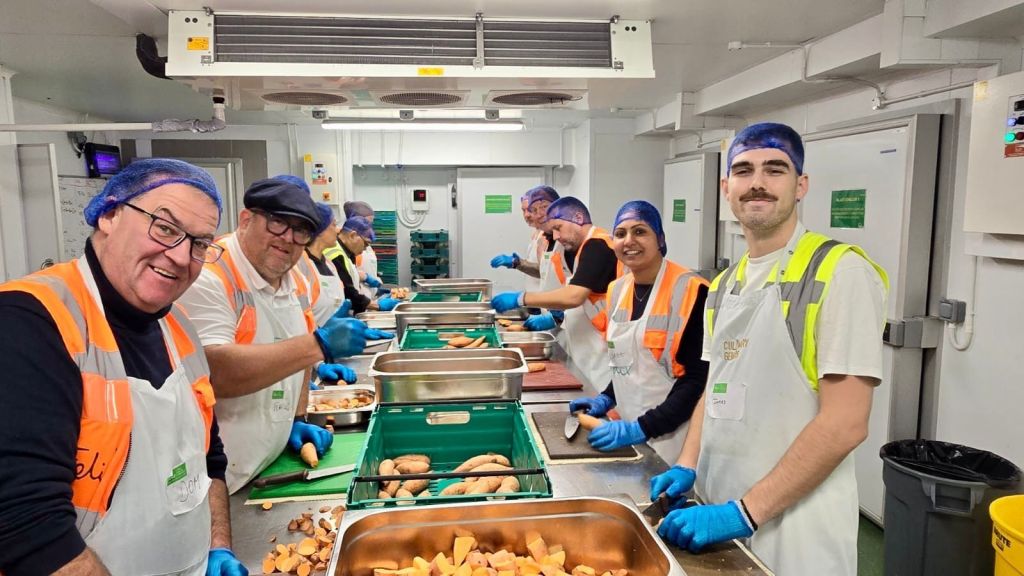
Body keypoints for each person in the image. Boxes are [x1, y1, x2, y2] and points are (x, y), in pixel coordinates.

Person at [649, 123, 888, 575]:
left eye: (775, 169)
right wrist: (687, 462)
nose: (757, 181)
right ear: (726, 188)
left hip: (795, 529)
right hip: (719, 509)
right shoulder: (724, 285)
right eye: (743, 170)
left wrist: (744, 513)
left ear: (801, 186)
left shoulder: (839, 272)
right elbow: (715, 387)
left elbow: (845, 424)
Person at [0, 159, 247, 575]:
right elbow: (26, 524)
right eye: (165, 228)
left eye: (200, 243)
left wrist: (216, 544)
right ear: (109, 214)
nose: (181, 256)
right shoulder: (30, 321)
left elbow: (210, 459)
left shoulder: (177, 326)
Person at [178, 178, 383, 493]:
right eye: (277, 224)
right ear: (246, 220)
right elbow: (214, 371)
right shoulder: (211, 276)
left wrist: (297, 416)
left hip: (272, 461)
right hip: (223, 477)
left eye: (300, 231)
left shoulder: (293, 279)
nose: (288, 239)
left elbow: (299, 354)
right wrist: (318, 345)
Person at [570, 201, 710, 462]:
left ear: (660, 239)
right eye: (620, 234)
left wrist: (641, 429)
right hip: (632, 433)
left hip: (677, 438)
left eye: (640, 231)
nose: (629, 241)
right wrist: (606, 398)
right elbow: (627, 364)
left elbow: (697, 381)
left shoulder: (692, 290)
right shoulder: (617, 289)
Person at [490, 197, 623, 391]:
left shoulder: (598, 246)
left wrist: (521, 298)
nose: (556, 236)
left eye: (559, 228)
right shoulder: (580, 249)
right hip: (583, 344)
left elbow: (574, 296)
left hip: (601, 349)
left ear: (578, 217)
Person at [325, 215, 401, 314]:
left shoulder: (346, 253)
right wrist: (377, 305)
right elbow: (348, 292)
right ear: (352, 236)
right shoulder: (335, 254)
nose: (365, 249)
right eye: (365, 244)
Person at [489, 185, 558, 293]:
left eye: (530, 210)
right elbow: (544, 270)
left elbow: (547, 271)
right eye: (525, 210)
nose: (527, 215)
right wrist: (516, 263)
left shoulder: (556, 237)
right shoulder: (537, 235)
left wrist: (517, 263)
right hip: (538, 302)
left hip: (548, 301)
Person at [295, 202, 346, 326]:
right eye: (333, 225)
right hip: (312, 341)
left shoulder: (329, 264)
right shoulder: (301, 265)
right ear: (320, 230)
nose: (338, 230)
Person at [343, 200, 382, 298]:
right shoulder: (349, 247)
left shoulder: (365, 242)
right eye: (366, 222)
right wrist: (365, 277)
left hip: (369, 297)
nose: (369, 227)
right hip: (360, 297)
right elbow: (347, 274)